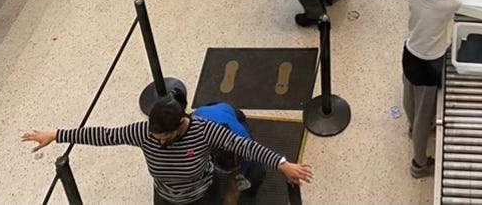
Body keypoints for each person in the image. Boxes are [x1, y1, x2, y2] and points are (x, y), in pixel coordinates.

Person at [21, 89, 313, 205]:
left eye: (164, 138)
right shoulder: (145, 132)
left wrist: (282, 163)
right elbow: (106, 135)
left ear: (181, 125)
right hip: (164, 197)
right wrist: (57, 134)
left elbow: (246, 147)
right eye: (155, 136)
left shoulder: (203, 130)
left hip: (203, 196)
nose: (157, 142)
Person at [402, 0, 461, 179]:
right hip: (431, 62)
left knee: (409, 92)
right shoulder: (451, 2)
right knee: (424, 117)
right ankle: (419, 164)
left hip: (410, 52)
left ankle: (411, 126)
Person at [192, 101, 266, 200]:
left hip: (227, 110)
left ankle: (250, 194)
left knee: (257, 172)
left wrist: (235, 180)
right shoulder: (197, 136)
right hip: (202, 112)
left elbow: (233, 185)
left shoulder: (244, 140)